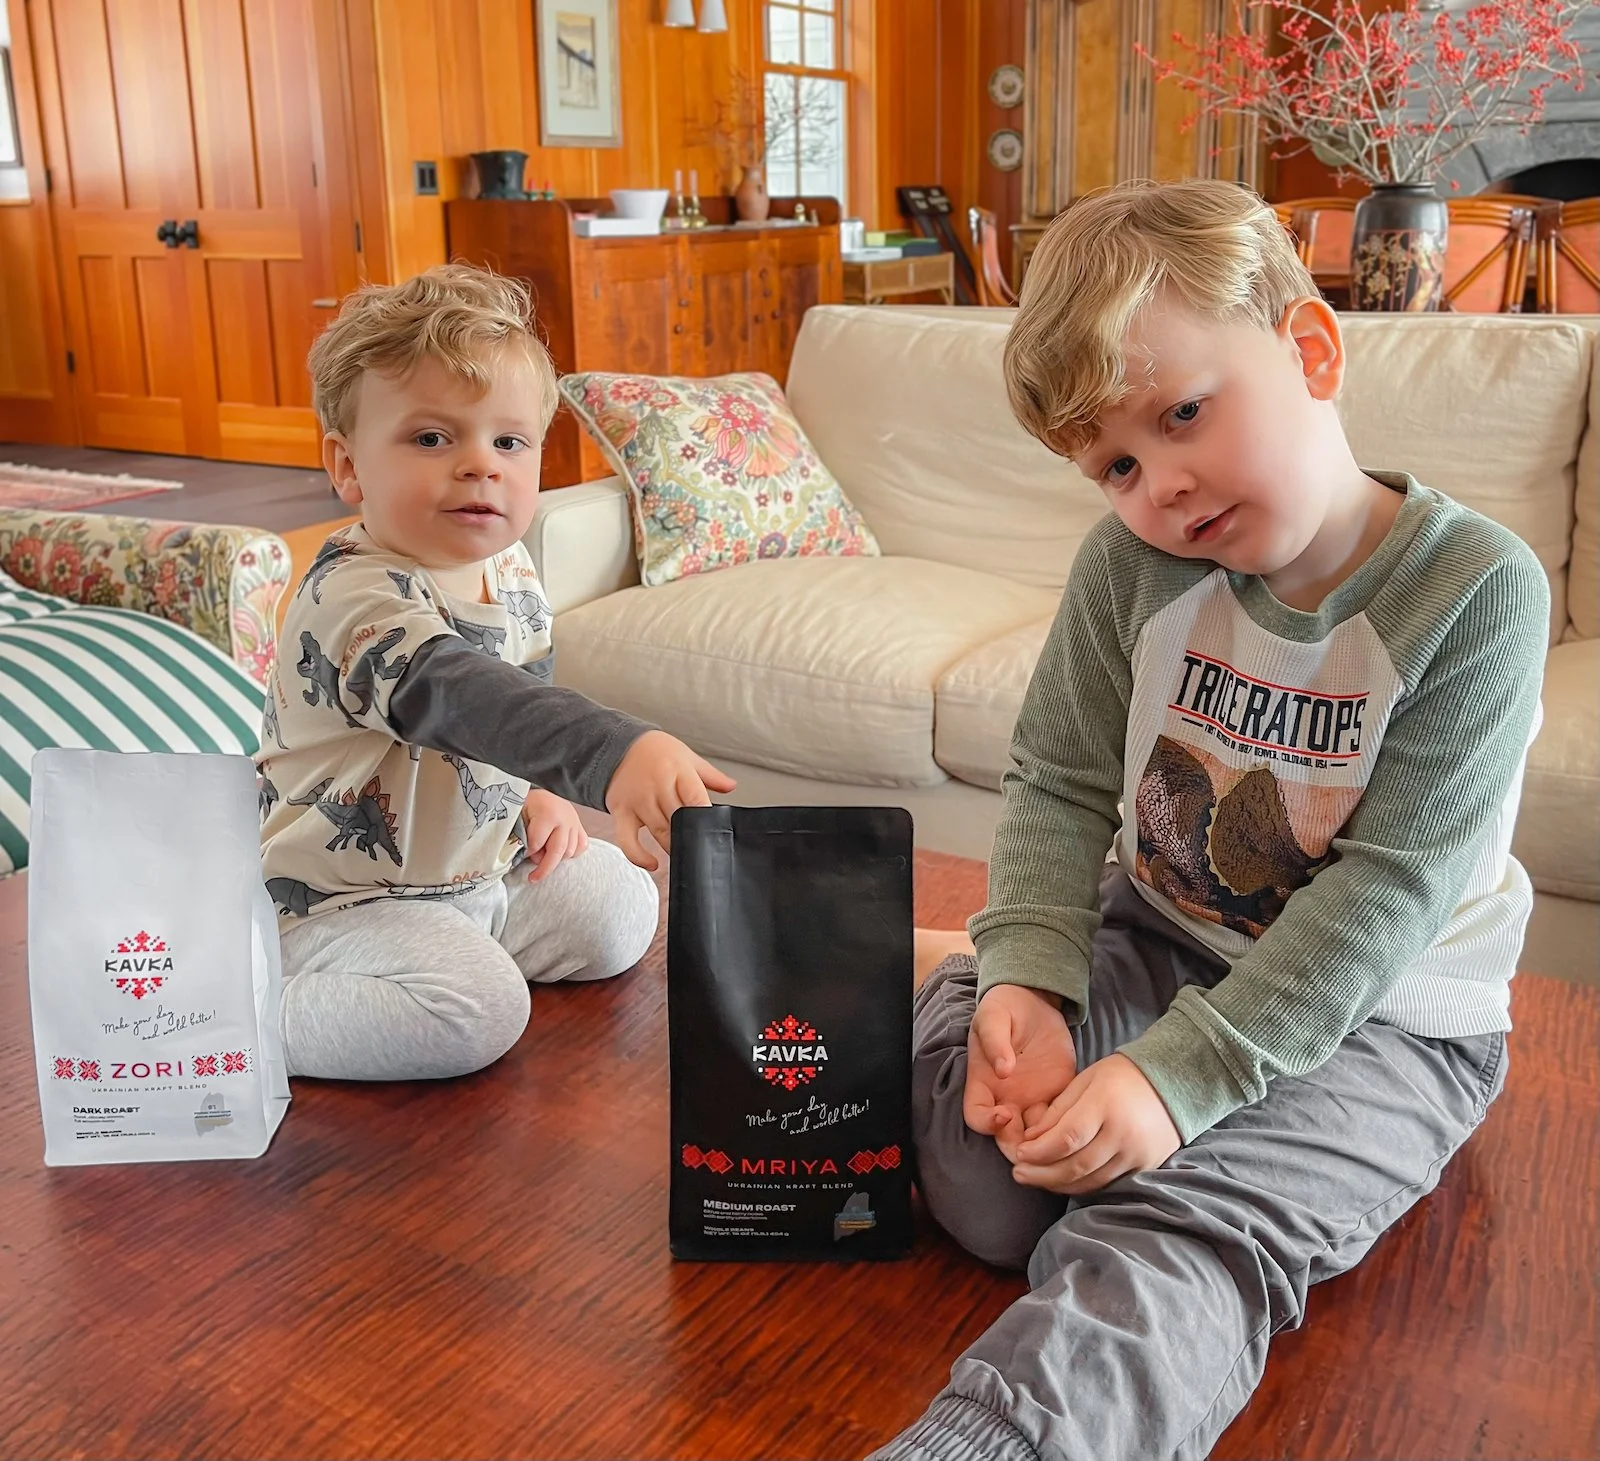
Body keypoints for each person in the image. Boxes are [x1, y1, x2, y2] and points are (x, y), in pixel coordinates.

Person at [874, 178, 1547, 1461]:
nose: (1163, 488)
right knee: (984, 1194)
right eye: (1117, 467)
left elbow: (1387, 899)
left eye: (1183, 414)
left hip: (1388, 1019)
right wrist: (1027, 976)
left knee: (1171, 1234)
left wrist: (1177, 1082)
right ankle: (962, 979)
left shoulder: (1475, 590)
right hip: (1162, 935)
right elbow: (1059, 781)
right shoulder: (1130, 566)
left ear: (1309, 350)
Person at [259, 263, 734, 1082]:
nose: (481, 464)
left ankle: (448, 951)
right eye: (432, 438)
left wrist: (538, 792)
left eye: (508, 441)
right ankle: (239, 1017)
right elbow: (460, 694)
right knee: (479, 1010)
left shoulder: (509, 567)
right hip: (341, 900)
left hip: (475, 868)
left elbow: (525, 689)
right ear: (348, 466)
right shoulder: (353, 596)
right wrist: (610, 753)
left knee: (621, 907)